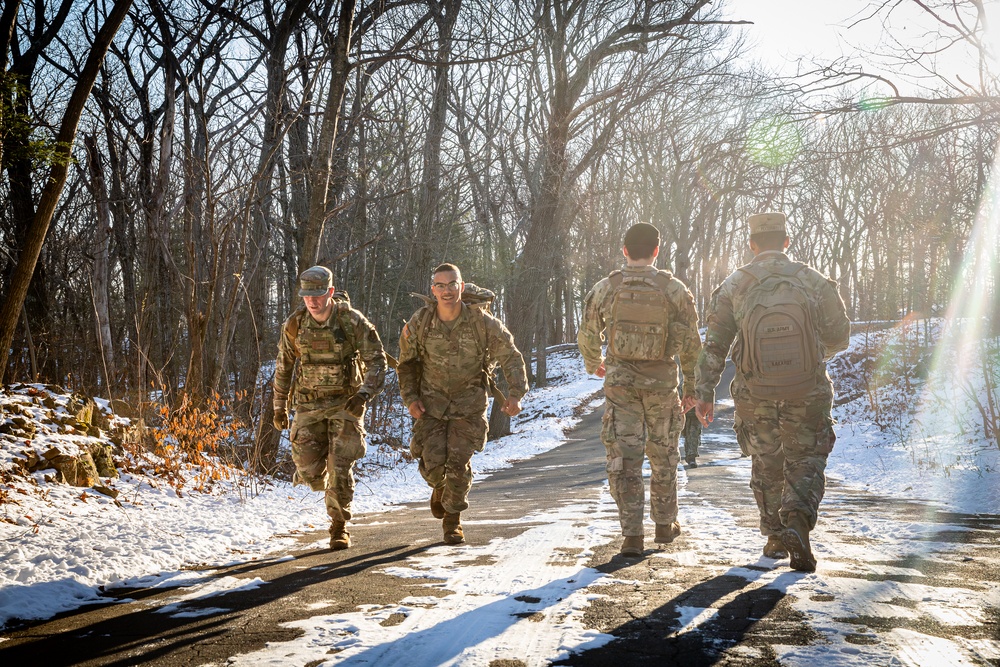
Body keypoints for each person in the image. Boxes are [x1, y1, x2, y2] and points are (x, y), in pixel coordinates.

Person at [694, 212, 850, 572]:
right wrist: (814, 352)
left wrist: (704, 392)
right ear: (786, 242)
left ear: (752, 245)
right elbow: (840, 336)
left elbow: (715, 345)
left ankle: (776, 536)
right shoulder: (812, 281)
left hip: (755, 391)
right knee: (807, 457)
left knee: (766, 461)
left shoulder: (735, 284)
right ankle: (796, 520)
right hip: (807, 388)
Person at [578, 223, 702, 557]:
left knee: (624, 460)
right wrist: (691, 387)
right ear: (657, 250)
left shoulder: (607, 287)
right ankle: (664, 524)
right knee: (663, 454)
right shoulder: (674, 289)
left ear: (625, 250)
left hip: (622, 387)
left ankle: (632, 535)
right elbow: (692, 344)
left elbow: (588, 333)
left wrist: (595, 364)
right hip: (662, 385)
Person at [397, 263, 529, 545]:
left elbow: (511, 356)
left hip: (469, 405)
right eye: (440, 286)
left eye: (451, 284)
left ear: (461, 285)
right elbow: (406, 365)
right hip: (430, 405)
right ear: (433, 290)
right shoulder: (420, 322)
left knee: (458, 462)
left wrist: (516, 393)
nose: (446, 291)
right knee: (433, 467)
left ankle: (452, 520)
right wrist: (411, 398)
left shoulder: (482, 323)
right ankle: (439, 488)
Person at [272, 266, 387, 551]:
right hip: (308, 404)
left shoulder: (351, 321)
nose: (312, 301)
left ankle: (338, 525)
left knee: (340, 466)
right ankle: (328, 482)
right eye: (307, 295)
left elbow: (378, 361)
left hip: (345, 404)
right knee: (308, 471)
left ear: (330, 293)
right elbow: (284, 366)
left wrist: (364, 394)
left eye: (318, 295)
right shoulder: (295, 324)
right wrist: (279, 407)